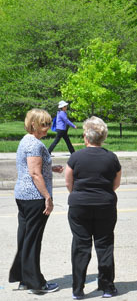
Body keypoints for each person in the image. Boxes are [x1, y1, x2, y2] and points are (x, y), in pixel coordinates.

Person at [64, 116, 122, 299]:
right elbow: (116, 183)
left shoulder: (75, 157)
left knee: (81, 246)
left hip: (79, 206)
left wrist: (80, 194)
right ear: (103, 137)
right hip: (105, 205)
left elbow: (68, 183)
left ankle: (78, 289)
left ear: (85, 137)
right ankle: (107, 287)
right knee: (104, 245)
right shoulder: (112, 158)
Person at [9, 108, 63, 294]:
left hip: (23, 196)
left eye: (48, 123)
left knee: (25, 238)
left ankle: (24, 278)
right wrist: (47, 197)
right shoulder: (34, 144)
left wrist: (51, 167)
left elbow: (32, 167)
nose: (47, 127)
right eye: (44, 124)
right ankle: (36, 283)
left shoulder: (27, 140)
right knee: (33, 240)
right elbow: (34, 173)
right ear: (33, 124)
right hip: (34, 197)